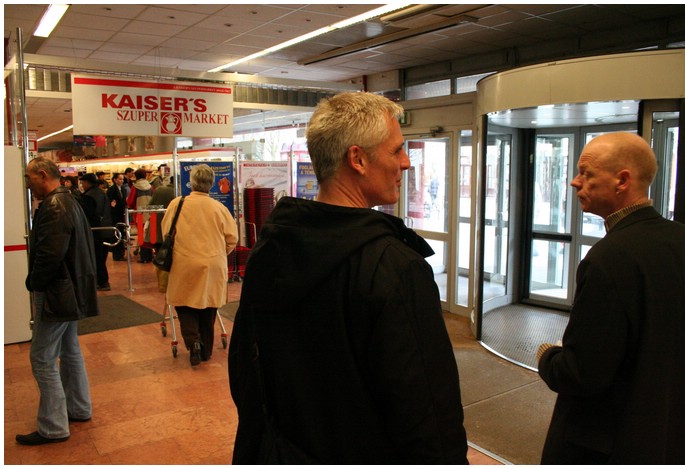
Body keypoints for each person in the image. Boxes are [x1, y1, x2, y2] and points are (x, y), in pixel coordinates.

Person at [228, 92, 468, 464]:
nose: (406, 164)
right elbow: (428, 415)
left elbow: (244, 371)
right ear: (357, 159)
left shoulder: (270, 250)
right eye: (396, 151)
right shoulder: (395, 268)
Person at [536, 132, 685, 464]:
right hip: (670, 436)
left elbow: (582, 374)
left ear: (622, 180)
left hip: (606, 444)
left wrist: (548, 357)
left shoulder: (608, 258)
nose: (574, 182)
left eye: (587, 173)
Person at [17, 157, 98, 445]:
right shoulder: (68, 201)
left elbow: (50, 255)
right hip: (71, 290)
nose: (28, 184)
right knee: (70, 348)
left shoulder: (54, 206)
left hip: (57, 291)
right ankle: (78, 407)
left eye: (29, 178)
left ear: (42, 174)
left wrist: (33, 283)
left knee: (41, 357)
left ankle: (53, 426)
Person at [162, 164, 237, 366]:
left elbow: (166, 233)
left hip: (184, 262)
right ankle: (206, 351)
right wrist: (218, 253)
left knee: (184, 304)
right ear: (211, 184)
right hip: (213, 263)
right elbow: (232, 239)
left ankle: (193, 342)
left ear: (191, 182)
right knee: (208, 305)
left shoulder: (177, 204)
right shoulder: (219, 208)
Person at [78, 173, 113, 291]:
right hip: (105, 229)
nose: (82, 185)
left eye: (83, 183)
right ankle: (101, 281)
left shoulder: (89, 196)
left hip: (96, 231)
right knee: (101, 257)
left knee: (97, 258)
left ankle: (102, 282)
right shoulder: (101, 193)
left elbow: (90, 215)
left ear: (87, 183)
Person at [126, 169, 154, 262]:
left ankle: (144, 257)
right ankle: (150, 255)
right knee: (151, 234)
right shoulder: (151, 186)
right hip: (150, 213)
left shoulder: (135, 187)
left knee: (141, 235)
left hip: (139, 213)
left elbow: (130, 201)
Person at [107, 172, 128, 261]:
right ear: (115, 180)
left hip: (121, 214)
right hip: (115, 215)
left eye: (122, 179)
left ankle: (121, 253)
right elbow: (110, 202)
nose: (121, 181)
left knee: (122, 233)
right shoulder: (111, 190)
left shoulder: (123, 189)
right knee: (116, 234)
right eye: (120, 179)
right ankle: (117, 254)